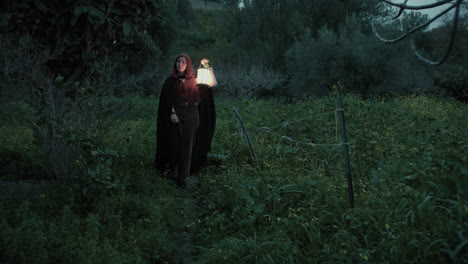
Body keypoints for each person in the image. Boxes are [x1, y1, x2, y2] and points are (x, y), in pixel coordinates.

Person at [154, 54, 216, 186]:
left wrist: (206, 65)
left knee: (188, 146)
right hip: (175, 115)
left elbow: (210, 84)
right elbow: (166, 101)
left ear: (187, 64)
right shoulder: (170, 81)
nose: (180, 64)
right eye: (178, 62)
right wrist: (172, 113)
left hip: (192, 115)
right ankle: (173, 173)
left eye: (183, 62)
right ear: (175, 64)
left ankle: (183, 177)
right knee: (174, 144)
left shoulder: (196, 80)